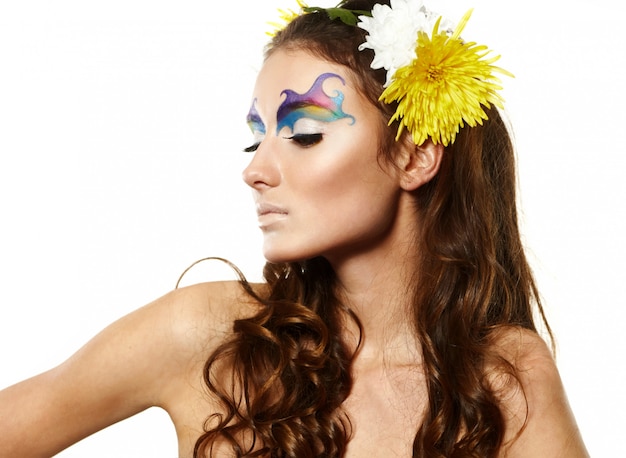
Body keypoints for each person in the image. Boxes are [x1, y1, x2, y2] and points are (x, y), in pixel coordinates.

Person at [0, 0, 588, 456]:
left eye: (304, 135)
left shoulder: (504, 377)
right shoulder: (206, 335)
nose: (256, 169)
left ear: (413, 155)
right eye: (258, 137)